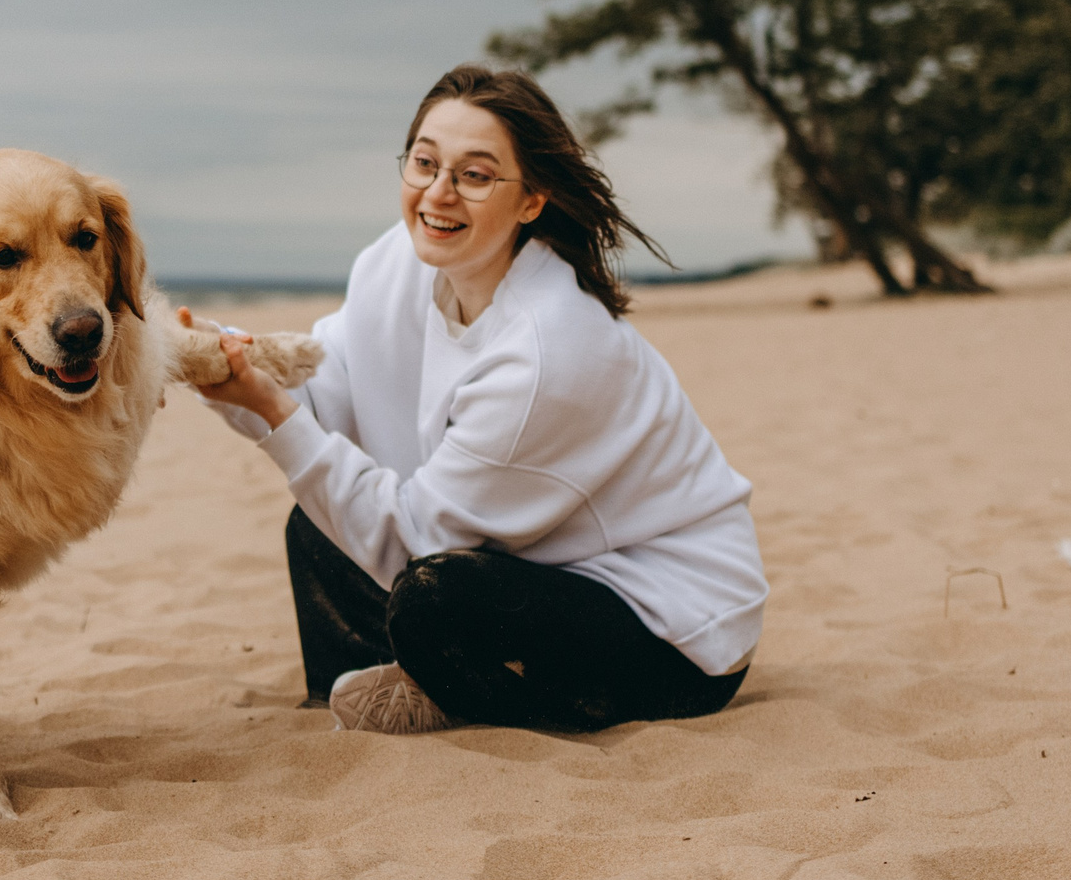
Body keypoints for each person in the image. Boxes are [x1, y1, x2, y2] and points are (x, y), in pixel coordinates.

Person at [188, 64, 765, 734]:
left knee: (436, 598)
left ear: (532, 199)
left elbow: (412, 541)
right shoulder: (396, 264)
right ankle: (360, 696)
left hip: (671, 629)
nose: (438, 194)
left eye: (475, 175)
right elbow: (326, 381)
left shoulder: (548, 351)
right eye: (424, 163)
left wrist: (270, 414)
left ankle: (454, 703)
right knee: (318, 525)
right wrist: (208, 353)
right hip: (533, 560)